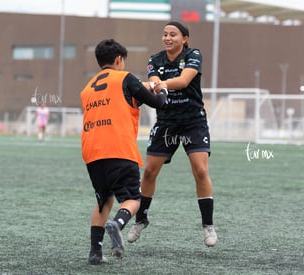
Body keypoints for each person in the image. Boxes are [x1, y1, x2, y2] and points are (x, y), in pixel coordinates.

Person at [127, 21, 217, 247]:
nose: (168, 38)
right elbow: (156, 81)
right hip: (166, 123)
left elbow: (184, 81)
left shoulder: (194, 55)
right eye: (165, 34)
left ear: (185, 38)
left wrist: (156, 84)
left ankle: (208, 225)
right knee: (148, 172)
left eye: (173, 34)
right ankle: (141, 219)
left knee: (200, 170)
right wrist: (154, 83)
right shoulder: (155, 59)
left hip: (192, 122)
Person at [80, 38, 168, 265]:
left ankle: (95, 253)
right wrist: (163, 90)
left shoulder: (87, 88)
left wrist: (140, 90)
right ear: (119, 60)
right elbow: (157, 103)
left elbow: (123, 104)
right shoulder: (125, 78)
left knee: (103, 201)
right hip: (118, 148)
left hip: (92, 152)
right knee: (132, 198)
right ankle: (117, 225)